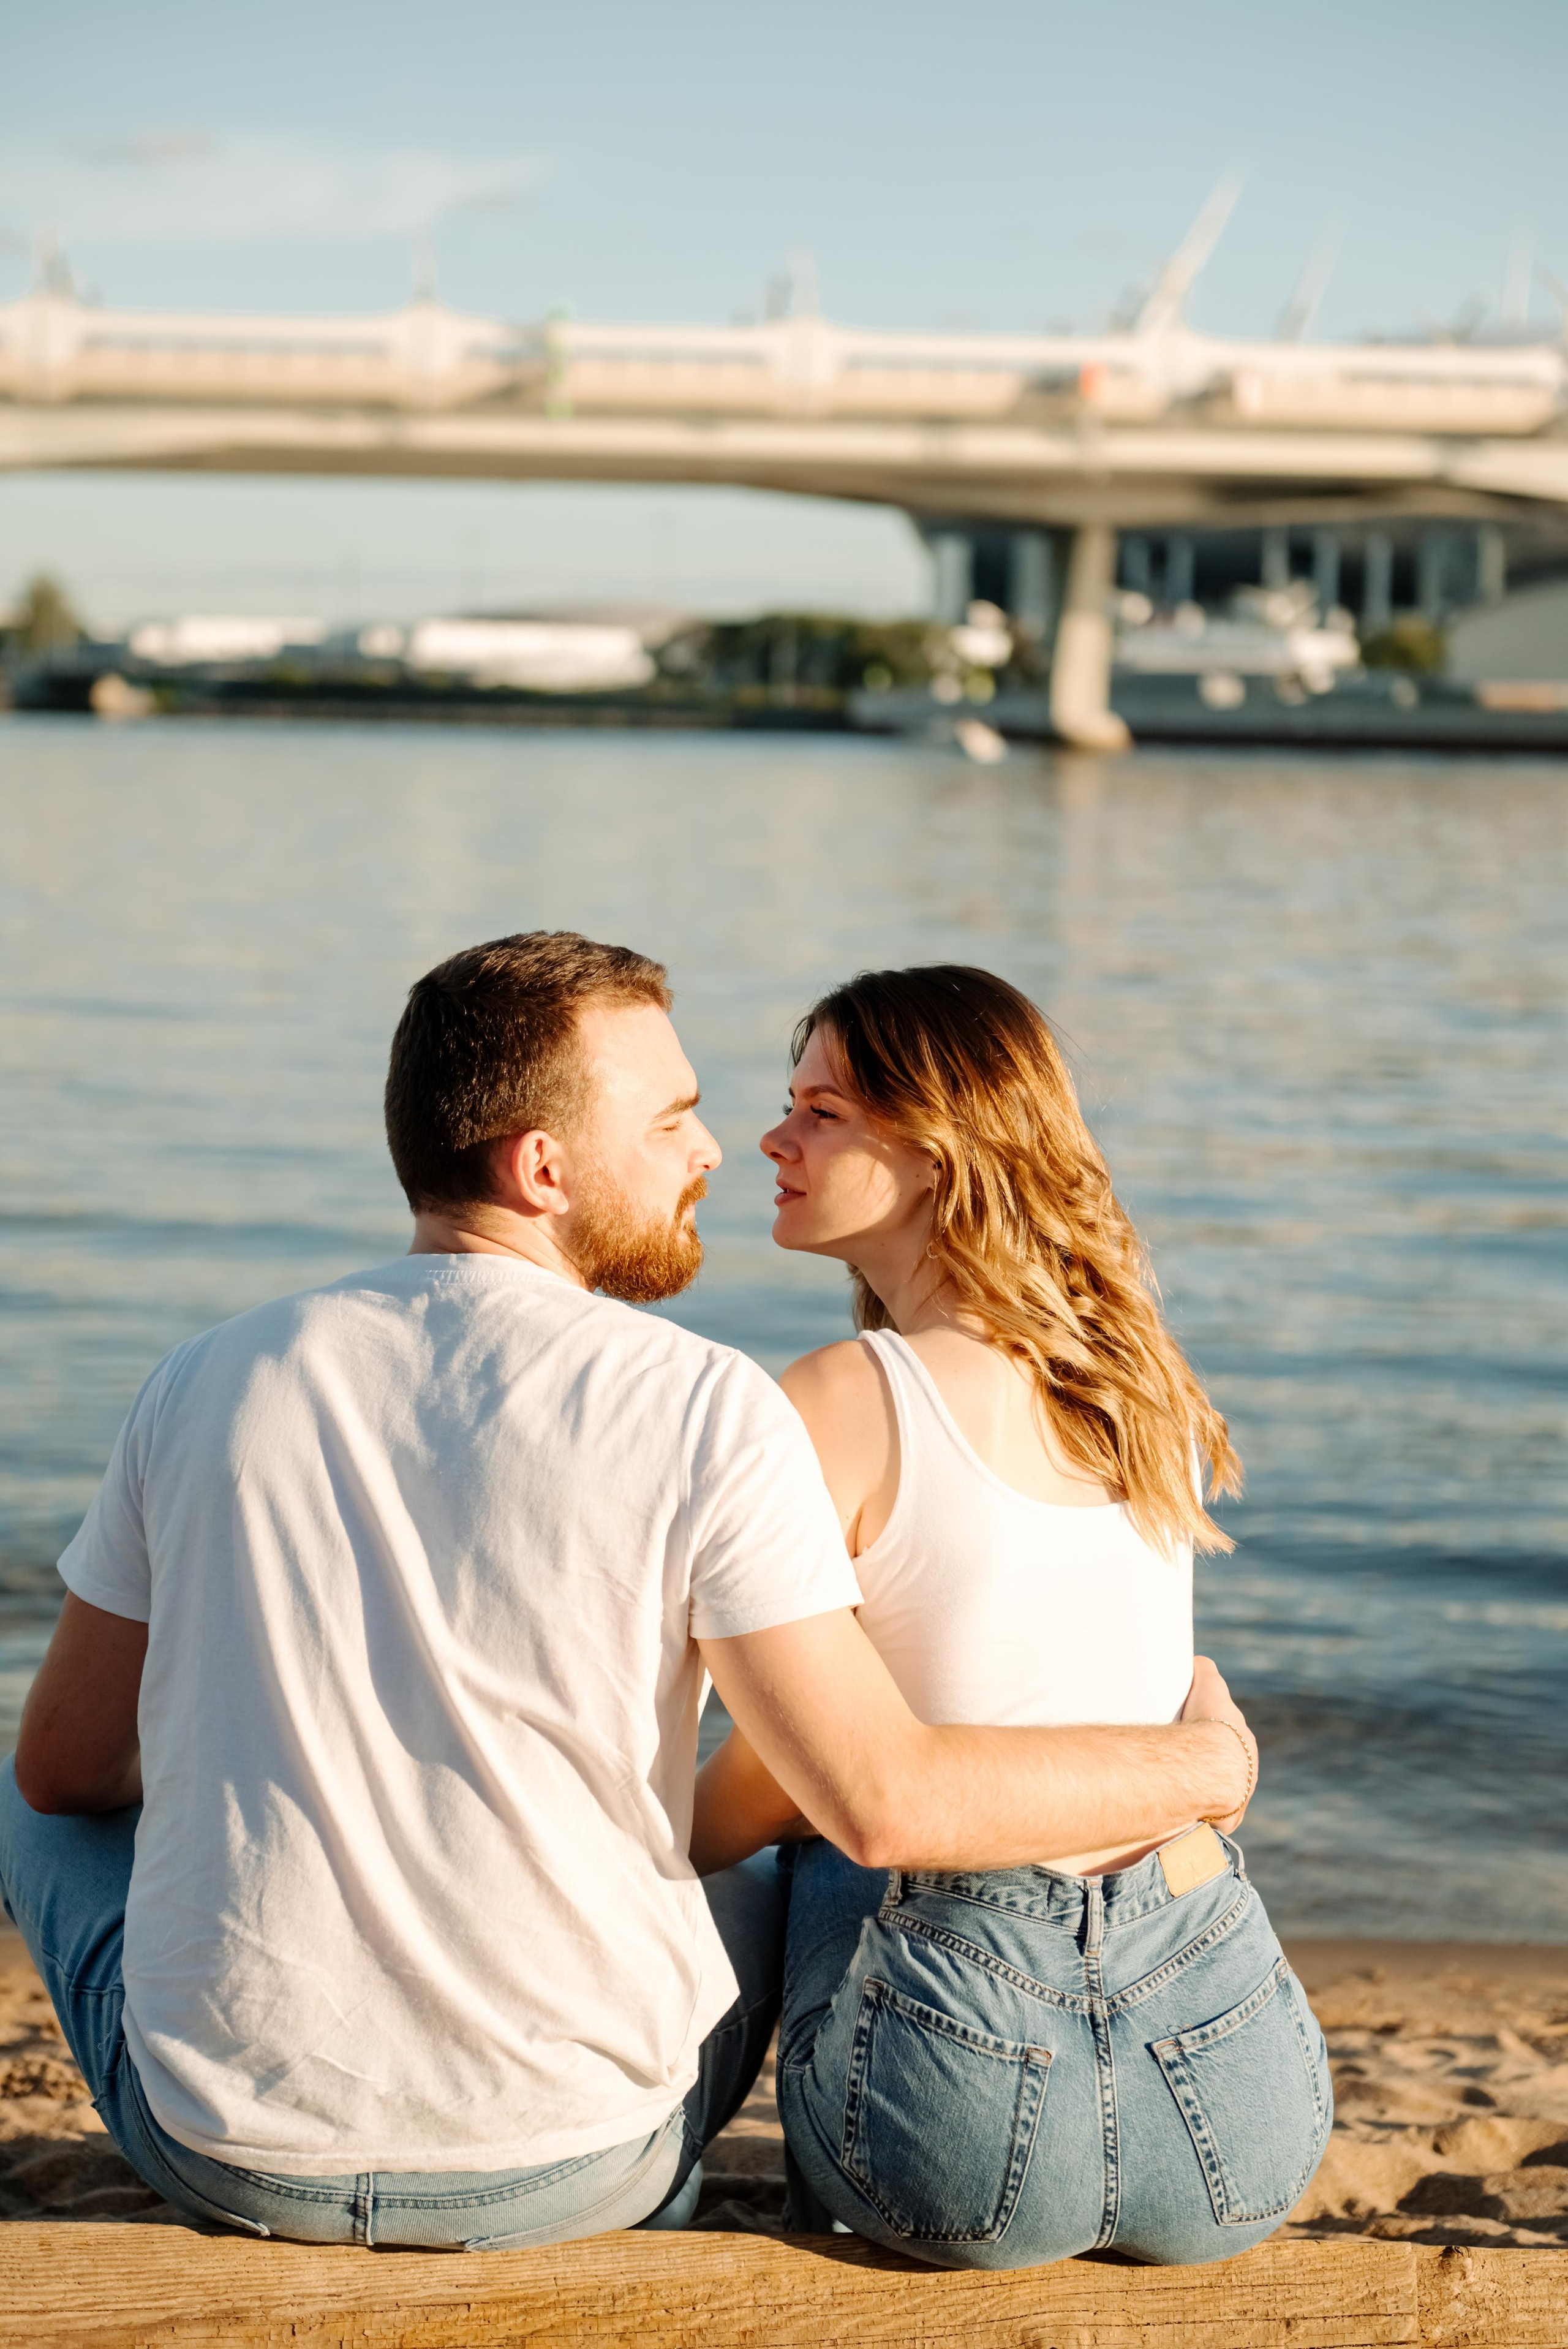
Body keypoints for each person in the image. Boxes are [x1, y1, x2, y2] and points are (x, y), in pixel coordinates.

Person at [0, 932, 1253, 2251]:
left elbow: (67, 1770)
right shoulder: (707, 1404)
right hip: (581, 2170)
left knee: (24, 1811)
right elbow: (870, 1799)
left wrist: (272, 1768)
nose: (713, 1149)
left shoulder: (208, 1377)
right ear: (542, 1168)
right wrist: (1200, 1764)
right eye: (670, 1121)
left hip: (230, 2156)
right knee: (785, 1866)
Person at [691, 963, 1331, 2269]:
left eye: (820, 1112)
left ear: (934, 1150)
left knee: (793, 1832)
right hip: (1240, 2111)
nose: (773, 1138)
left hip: (963, 2131)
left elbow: (782, 1782)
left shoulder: (836, 1397)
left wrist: (647, 1839)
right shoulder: (1133, 1385)